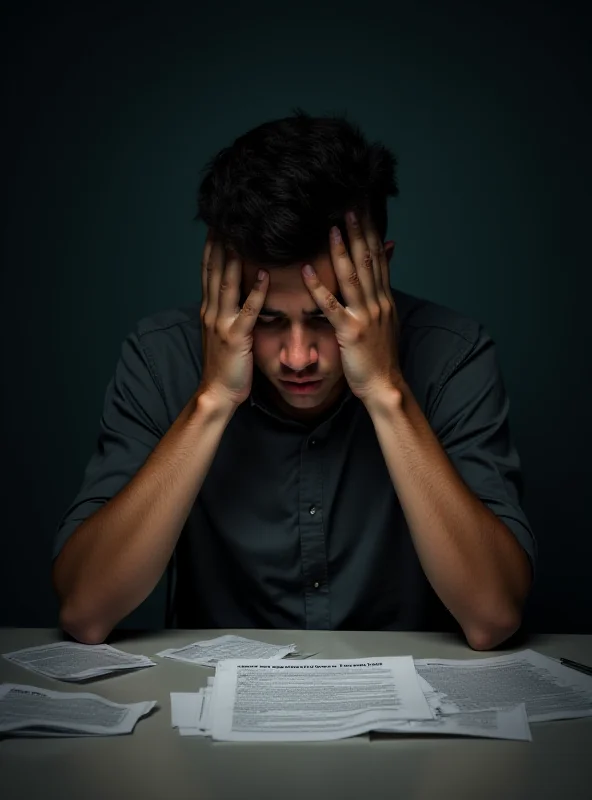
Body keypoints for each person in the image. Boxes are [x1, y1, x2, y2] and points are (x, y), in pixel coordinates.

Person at [52, 110, 536, 650]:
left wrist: (386, 392)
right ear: (221, 285)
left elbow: (492, 616)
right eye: (266, 320)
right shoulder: (159, 357)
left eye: (329, 316)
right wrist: (212, 401)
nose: (299, 356)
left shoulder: (454, 356)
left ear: (378, 271)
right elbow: (84, 612)